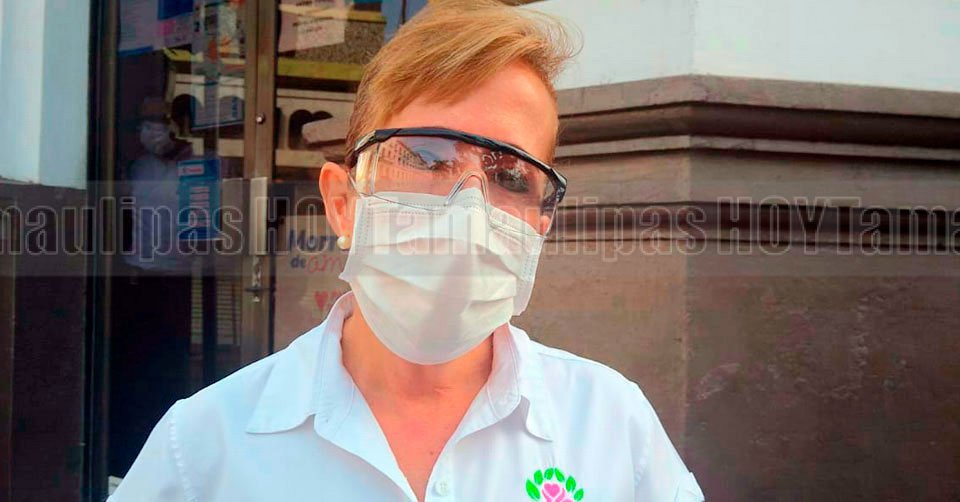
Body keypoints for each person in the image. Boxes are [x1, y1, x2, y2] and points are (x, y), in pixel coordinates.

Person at [111, 1, 704, 500]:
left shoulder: (610, 429)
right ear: (343, 202)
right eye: (425, 157)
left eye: (511, 176)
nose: (469, 209)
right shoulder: (205, 449)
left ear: (541, 223)